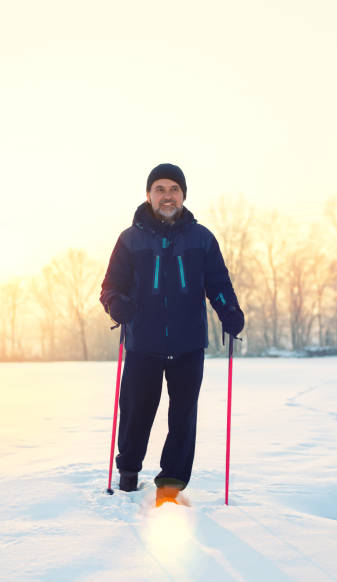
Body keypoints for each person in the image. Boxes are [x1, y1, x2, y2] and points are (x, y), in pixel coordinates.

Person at [100, 163, 244, 502]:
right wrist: (117, 305)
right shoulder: (129, 239)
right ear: (149, 195)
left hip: (188, 343)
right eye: (160, 189)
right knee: (136, 411)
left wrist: (230, 311)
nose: (167, 196)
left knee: (183, 415)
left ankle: (172, 481)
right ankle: (129, 471)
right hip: (142, 343)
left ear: (183, 195)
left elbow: (218, 284)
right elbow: (110, 287)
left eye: (174, 189)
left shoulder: (202, 239)